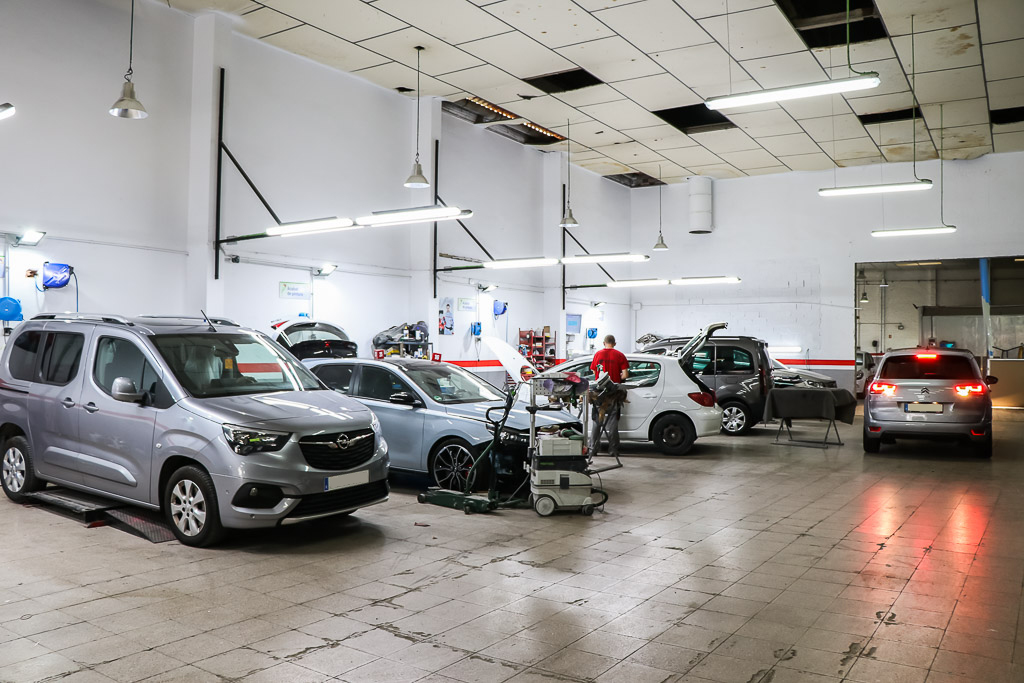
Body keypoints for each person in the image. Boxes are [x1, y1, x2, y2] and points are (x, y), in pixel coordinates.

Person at [589, 335, 628, 457]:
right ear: (614, 343)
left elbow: (594, 371)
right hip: (613, 394)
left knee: (597, 421)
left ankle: (593, 449)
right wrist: (617, 376)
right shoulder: (620, 355)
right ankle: (613, 450)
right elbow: (625, 375)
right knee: (612, 423)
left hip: (598, 393)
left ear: (603, 343)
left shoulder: (597, 354)